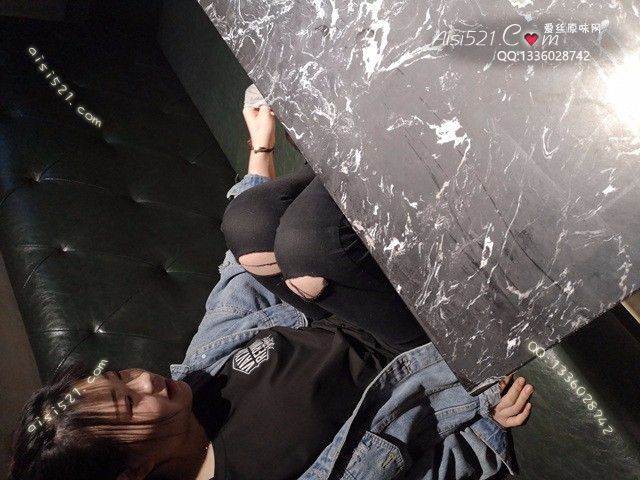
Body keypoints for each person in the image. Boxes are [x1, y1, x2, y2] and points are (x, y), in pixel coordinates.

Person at [9, 85, 534, 480]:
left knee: (247, 225)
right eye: (129, 404)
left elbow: (239, 283)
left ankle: (392, 126)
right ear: (134, 471)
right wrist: (487, 418)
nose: (145, 380)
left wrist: (260, 147)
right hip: (420, 351)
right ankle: (407, 116)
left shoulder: (197, 379)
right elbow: (435, 468)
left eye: (122, 377)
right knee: (310, 245)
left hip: (348, 303)